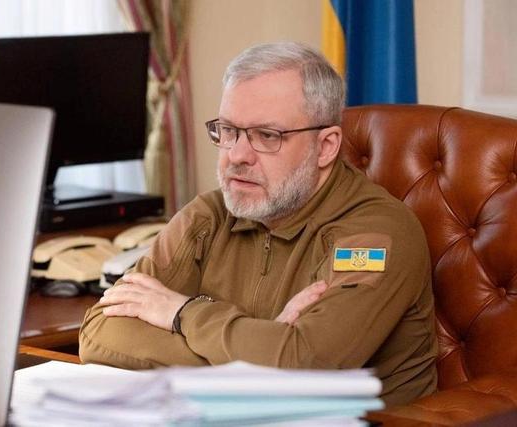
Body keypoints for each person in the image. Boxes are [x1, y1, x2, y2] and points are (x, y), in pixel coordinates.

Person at [79, 41, 437, 405]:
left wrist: (183, 312)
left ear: (326, 147)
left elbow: (307, 368)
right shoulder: (210, 215)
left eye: (267, 135)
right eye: (228, 130)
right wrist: (264, 356)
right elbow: (99, 333)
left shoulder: (376, 232)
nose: (236, 155)